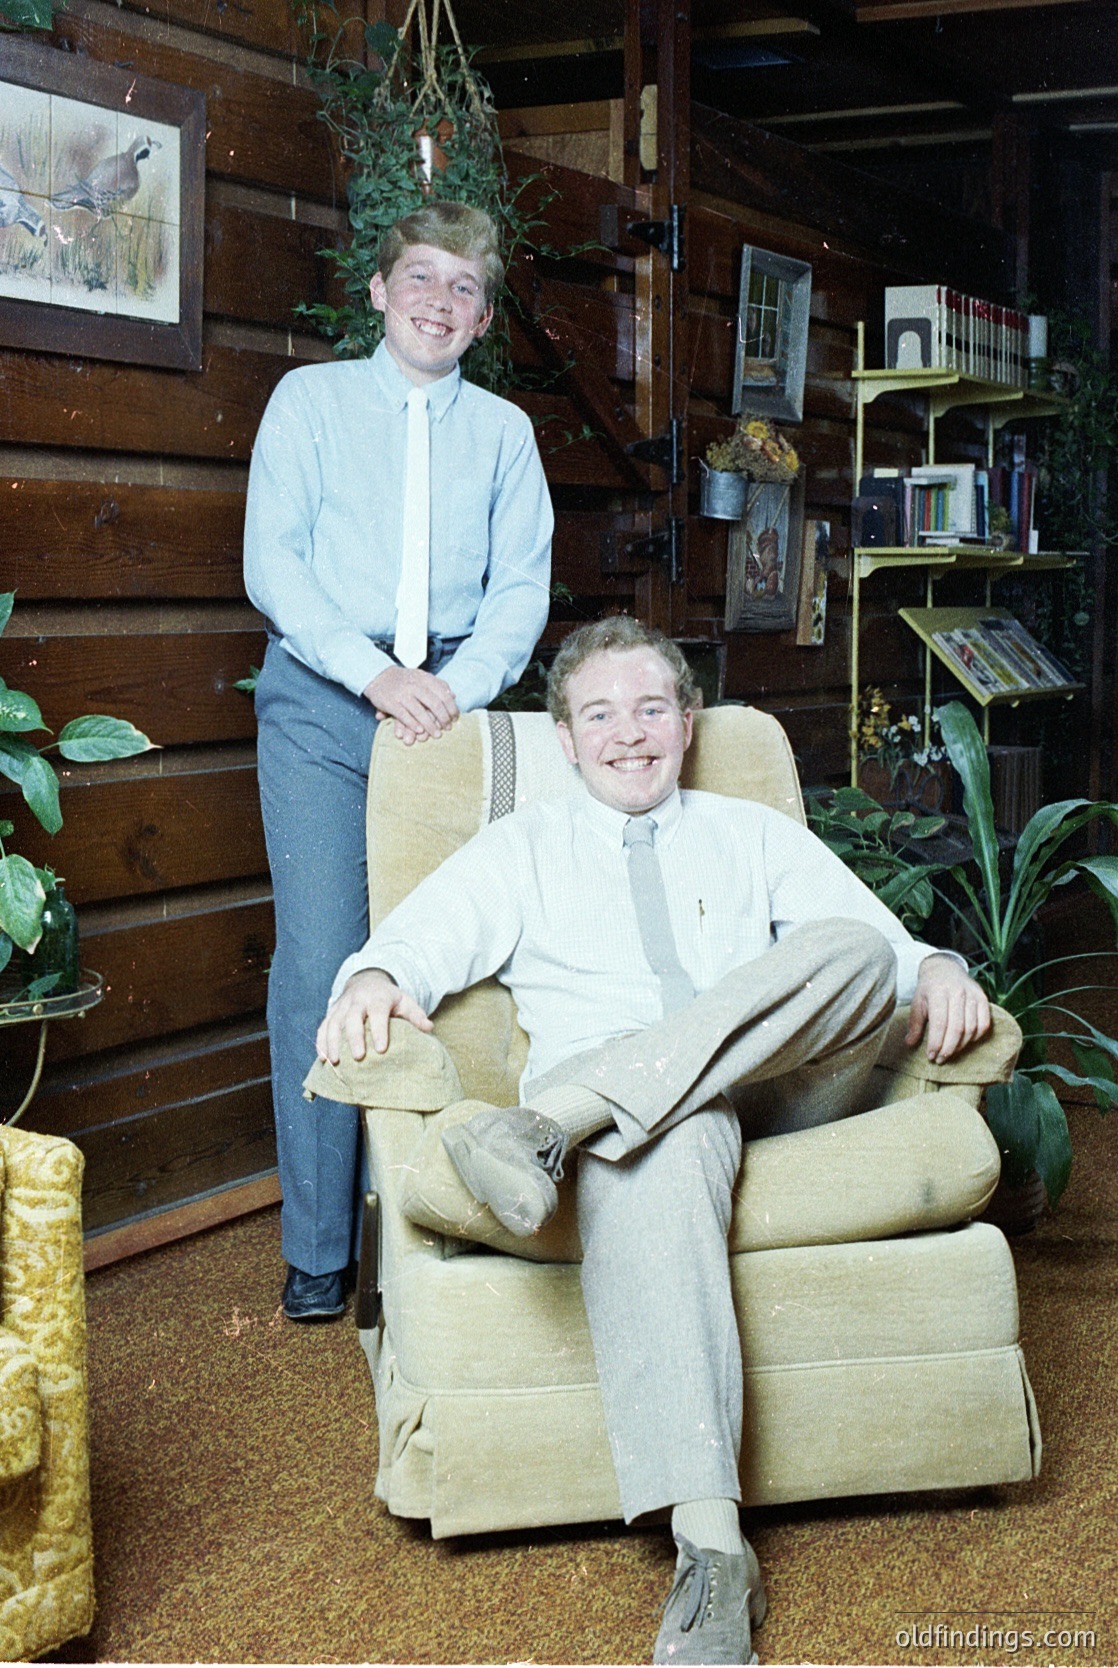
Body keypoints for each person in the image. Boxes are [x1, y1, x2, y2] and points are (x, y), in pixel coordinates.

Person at [317, 614, 990, 1665]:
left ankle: (556, 1129)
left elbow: (877, 956)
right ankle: (713, 1554)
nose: (626, 734)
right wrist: (367, 980)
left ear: (684, 723)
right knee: (658, 1144)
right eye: (598, 714)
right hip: (648, 1113)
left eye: (648, 708)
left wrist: (936, 969)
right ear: (567, 740)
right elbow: (410, 944)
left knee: (849, 948)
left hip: (761, 1083)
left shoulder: (750, 832)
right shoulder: (518, 849)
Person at [244, 201, 552, 1322]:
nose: (438, 301)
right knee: (325, 956)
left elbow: (520, 590)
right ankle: (322, 1247)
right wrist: (372, 675)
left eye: (464, 287)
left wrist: (451, 694)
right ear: (377, 291)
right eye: (419, 277)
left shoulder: (504, 436)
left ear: (481, 316)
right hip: (325, 704)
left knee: (451, 959)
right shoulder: (309, 403)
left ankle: (439, 1220)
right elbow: (273, 562)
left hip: (453, 713)